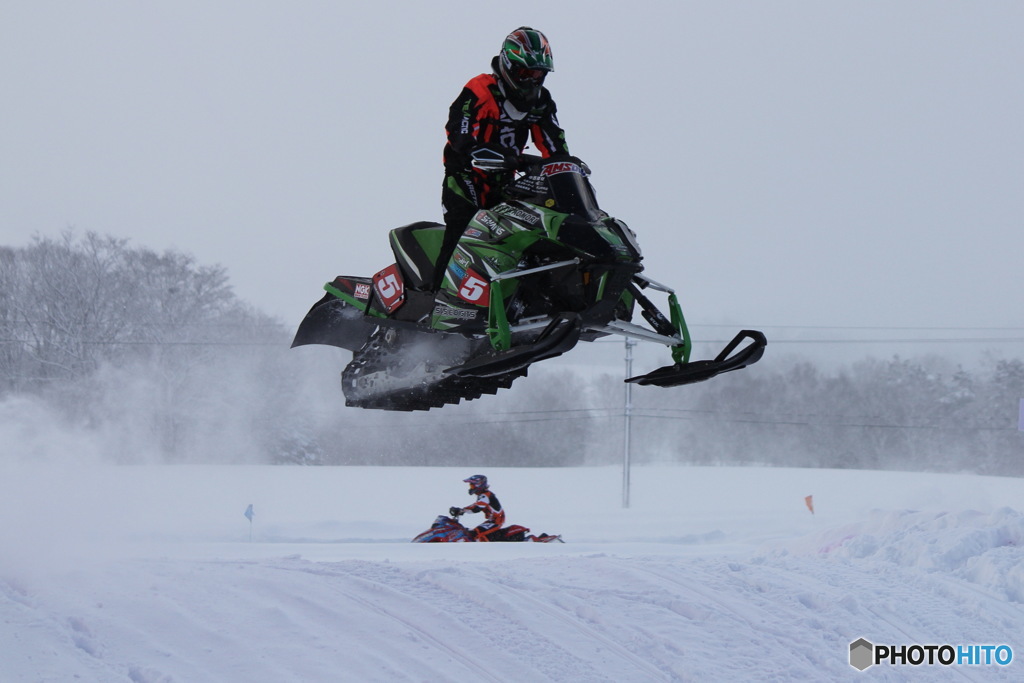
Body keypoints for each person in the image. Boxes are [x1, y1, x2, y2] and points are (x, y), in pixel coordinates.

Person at [434, 26, 571, 289]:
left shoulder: (541, 101)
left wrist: (566, 168)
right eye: (526, 72)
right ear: (509, 66)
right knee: (463, 233)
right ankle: (436, 301)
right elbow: (458, 133)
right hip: (466, 177)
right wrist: (484, 152)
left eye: (538, 74)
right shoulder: (480, 89)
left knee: (526, 235)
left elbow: (554, 143)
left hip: (508, 181)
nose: (532, 80)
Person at [450, 474, 506, 541]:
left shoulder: (485, 496)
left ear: (478, 485)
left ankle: (483, 548)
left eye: (472, 485)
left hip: (496, 521)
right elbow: (475, 505)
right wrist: (462, 510)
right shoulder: (483, 495)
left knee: (474, 534)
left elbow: (476, 508)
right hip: (491, 521)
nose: (471, 487)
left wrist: (462, 511)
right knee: (472, 532)